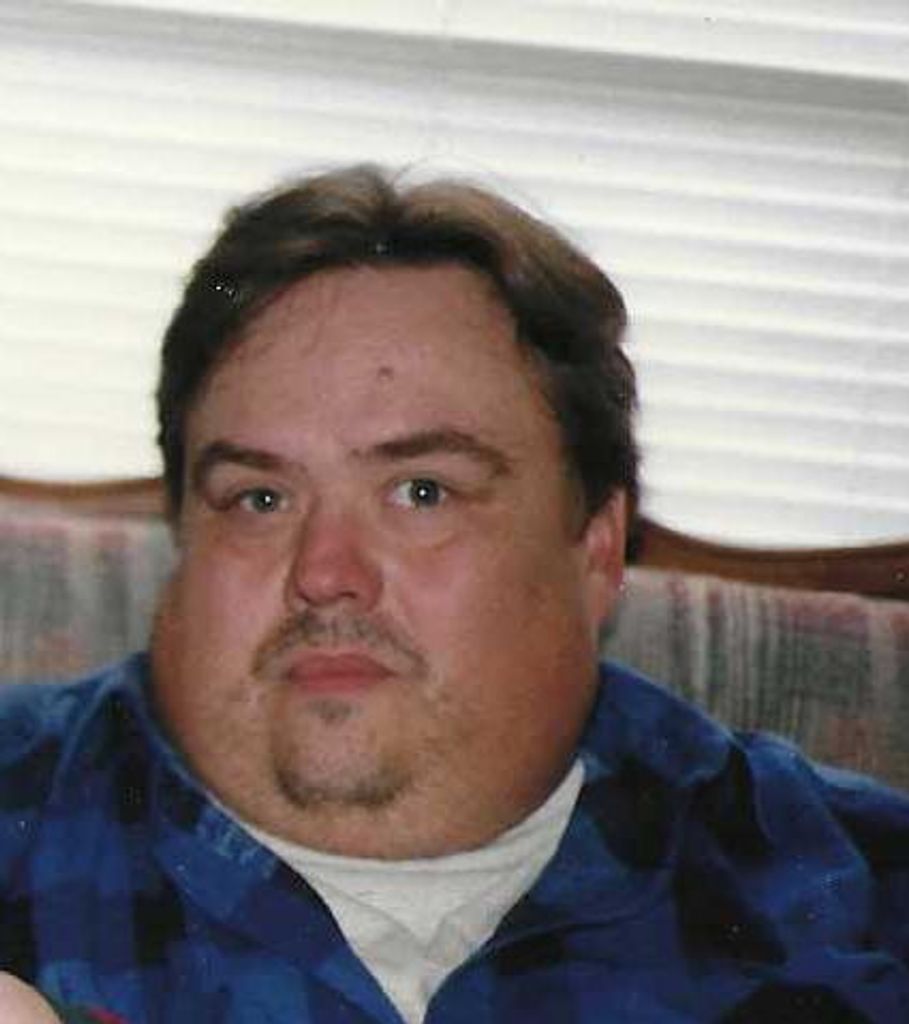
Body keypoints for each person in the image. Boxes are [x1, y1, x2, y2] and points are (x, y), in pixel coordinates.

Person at [0, 164, 907, 1024]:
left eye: (422, 492)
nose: (324, 571)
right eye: (260, 499)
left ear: (594, 549)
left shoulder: (852, 889)